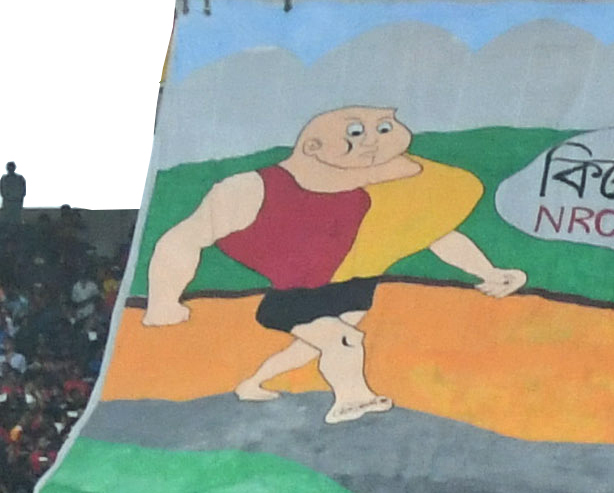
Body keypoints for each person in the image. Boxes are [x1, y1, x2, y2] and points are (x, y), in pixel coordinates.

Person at [142, 107, 527, 424]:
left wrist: (489, 272)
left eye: (385, 127)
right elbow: (181, 239)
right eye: (357, 133)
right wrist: (163, 302)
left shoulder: (382, 188)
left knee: (311, 349)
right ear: (312, 146)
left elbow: (433, 234)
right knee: (346, 341)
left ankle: (253, 383)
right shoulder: (254, 188)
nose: (375, 141)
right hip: (294, 295)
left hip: (351, 285)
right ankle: (350, 399)